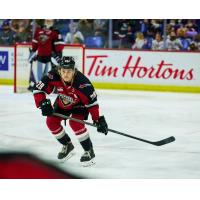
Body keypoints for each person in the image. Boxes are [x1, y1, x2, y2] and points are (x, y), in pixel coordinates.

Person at [32, 56, 108, 166]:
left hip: (80, 104)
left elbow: (92, 103)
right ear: (59, 70)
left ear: (74, 71)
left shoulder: (83, 83)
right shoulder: (52, 75)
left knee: (75, 123)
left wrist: (97, 119)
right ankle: (67, 145)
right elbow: (38, 88)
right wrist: (42, 102)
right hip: (63, 101)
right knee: (51, 122)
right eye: (63, 71)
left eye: (69, 71)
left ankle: (89, 151)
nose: (66, 74)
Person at [28, 19, 65, 91]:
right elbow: (35, 43)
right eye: (47, 20)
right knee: (39, 75)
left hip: (50, 57)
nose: (48, 22)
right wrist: (32, 52)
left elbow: (59, 45)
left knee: (48, 75)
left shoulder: (55, 32)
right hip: (40, 56)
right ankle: (38, 87)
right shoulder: (38, 30)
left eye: (50, 20)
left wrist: (57, 54)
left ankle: (49, 88)